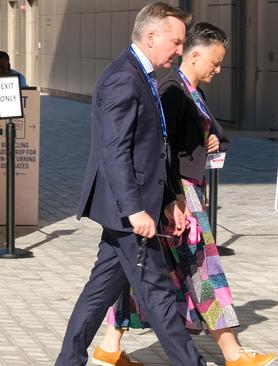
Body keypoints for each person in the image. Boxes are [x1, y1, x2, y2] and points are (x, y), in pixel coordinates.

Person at [93, 22, 276, 366]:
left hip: (181, 194)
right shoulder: (172, 89)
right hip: (178, 196)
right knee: (203, 268)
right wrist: (171, 199)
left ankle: (109, 346)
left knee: (141, 270)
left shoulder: (191, 91)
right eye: (215, 63)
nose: (219, 70)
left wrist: (212, 140)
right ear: (195, 55)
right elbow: (159, 149)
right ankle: (232, 352)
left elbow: (212, 134)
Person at [55, 3, 209, 366]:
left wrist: (169, 199)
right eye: (175, 42)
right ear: (151, 36)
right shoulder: (124, 77)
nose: (179, 50)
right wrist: (136, 209)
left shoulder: (143, 74)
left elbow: (153, 149)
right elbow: (115, 150)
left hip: (131, 207)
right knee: (158, 295)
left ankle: (67, 361)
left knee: (98, 292)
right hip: (128, 211)